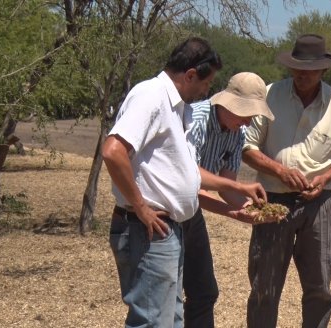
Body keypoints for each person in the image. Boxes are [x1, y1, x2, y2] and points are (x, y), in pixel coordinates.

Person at [102, 37, 266, 328]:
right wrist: (141, 207)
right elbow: (114, 151)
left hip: (167, 230)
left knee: (171, 320)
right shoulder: (151, 95)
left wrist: (238, 190)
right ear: (190, 74)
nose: (207, 91)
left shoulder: (178, 109)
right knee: (154, 322)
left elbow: (188, 173)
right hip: (148, 228)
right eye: (206, 83)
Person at [242, 34, 331, 328]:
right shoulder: (271, 96)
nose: (301, 75)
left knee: (319, 286)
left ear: (323, 71)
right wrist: (279, 171)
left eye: (309, 70)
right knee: (264, 285)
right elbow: (248, 149)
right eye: (297, 68)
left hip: (319, 203)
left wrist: (324, 178)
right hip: (272, 199)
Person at [183, 72, 275, 328]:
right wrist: (232, 209)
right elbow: (188, 183)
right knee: (167, 297)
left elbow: (227, 186)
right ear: (227, 103)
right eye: (245, 113)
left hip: (190, 214)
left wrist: (248, 208)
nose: (247, 121)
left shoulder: (237, 133)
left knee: (204, 292)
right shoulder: (195, 120)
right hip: (166, 211)